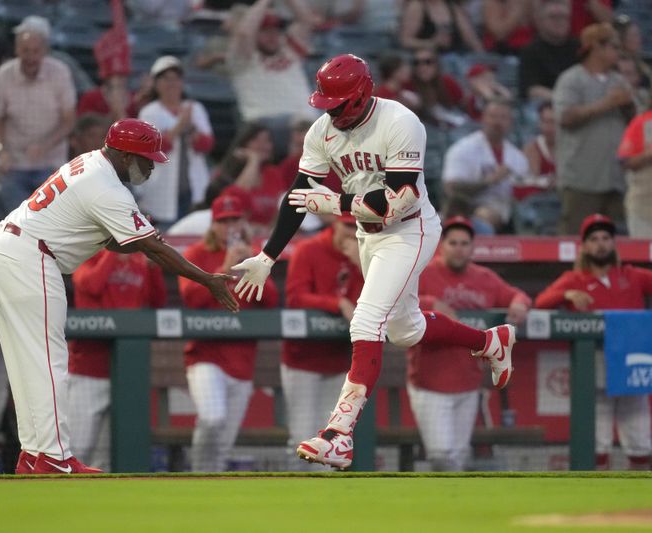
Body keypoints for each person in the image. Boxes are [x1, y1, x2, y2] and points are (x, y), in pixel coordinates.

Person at [231, 54, 518, 469]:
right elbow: (298, 196)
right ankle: (490, 341)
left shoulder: (400, 121)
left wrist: (337, 202)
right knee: (406, 329)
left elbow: (402, 201)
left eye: (337, 103)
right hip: (369, 235)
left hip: (410, 230)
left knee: (366, 322)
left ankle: (338, 435)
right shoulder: (322, 131)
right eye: (324, 103)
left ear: (362, 95)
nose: (329, 111)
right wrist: (268, 255)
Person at [0, 118, 239, 475]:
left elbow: (118, 241)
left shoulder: (92, 165)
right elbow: (153, 249)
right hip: (30, 255)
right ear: (122, 153)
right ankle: (53, 457)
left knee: (28, 361)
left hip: (6, 248)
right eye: (145, 158)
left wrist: (135, 229)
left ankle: (35, 454)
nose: (150, 165)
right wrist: (207, 279)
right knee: (48, 359)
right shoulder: (105, 186)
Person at [408, 216, 530, 471]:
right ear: (442, 245)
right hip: (430, 383)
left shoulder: (484, 277)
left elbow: (516, 294)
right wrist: (430, 303)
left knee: (460, 455)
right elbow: (395, 300)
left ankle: (449, 507)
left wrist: (519, 303)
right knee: (442, 455)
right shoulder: (424, 273)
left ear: (473, 247)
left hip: (468, 381)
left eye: (465, 243)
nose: (459, 248)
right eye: (453, 242)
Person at [535, 214, 652, 470]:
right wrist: (567, 294)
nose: (601, 244)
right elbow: (541, 301)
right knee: (597, 446)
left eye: (606, 238)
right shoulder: (574, 279)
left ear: (614, 243)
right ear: (585, 246)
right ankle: (599, 502)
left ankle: (638, 504)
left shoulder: (631, 274)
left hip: (632, 362)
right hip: (596, 361)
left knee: (641, 444)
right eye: (594, 239)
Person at [180, 195, 279, 471]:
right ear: (213, 225)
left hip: (243, 360)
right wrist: (223, 268)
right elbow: (190, 298)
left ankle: (210, 491)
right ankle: (197, 475)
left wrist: (251, 266)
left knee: (224, 443)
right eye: (223, 221)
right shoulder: (197, 254)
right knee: (212, 417)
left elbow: (270, 300)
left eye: (235, 219)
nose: (230, 226)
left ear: (244, 222)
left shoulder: (257, 256)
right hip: (206, 356)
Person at [67, 249, 167, 470]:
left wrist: (154, 267)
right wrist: (113, 252)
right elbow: (91, 285)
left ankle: (100, 504)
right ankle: (63, 500)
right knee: (79, 449)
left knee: (111, 458)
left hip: (126, 372)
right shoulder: (89, 254)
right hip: (88, 370)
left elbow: (157, 302)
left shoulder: (140, 262)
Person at [281, 213, 364, 470]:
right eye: (347, 225)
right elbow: (296, 298)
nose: (352, 232)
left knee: (333, 442)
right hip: (303, 361)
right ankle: (295, 500)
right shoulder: (309, 249)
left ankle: (326, 504)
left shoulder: (366, 256)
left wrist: (362, 266)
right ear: (335, 224)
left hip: (341, 362)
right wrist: (336, 303)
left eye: (358, 226)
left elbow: (377, 300)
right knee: (302, 438)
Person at [0, 15, 77, 212]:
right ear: (17, 49)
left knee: (53, 217)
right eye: (25, 50)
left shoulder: (60, 73)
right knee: (19, 219)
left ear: (45, 51)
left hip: (51, 161)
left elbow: (69, 121)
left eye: (36, 51)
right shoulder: (3, 75)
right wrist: (1, 151)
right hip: (14, 162)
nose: (30, 57)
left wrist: (45, 145)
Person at [553, 23, 634, 235]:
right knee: (576, 240)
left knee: (618, 243)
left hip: (615, 178)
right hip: (582, 178)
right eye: (614, 47)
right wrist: (607, 103)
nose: (619, 52)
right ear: (597, 47)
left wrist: (627, 105)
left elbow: (636, 124)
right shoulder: (571, 79)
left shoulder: (619, 81)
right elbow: (566, 117)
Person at [136, 56, 215, 225]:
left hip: (191, 185)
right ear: (156, 84)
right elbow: (154, 148)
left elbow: (207, 145)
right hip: (161, 186)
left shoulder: (195, 108)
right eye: (165, 79)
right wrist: (180, 125)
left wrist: (192, 129)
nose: (171, 84)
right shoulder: (149, 112)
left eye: (176, 78)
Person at [442, 99, 529, 234]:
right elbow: (451, 188)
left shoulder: (517, 157)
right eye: (493, 116)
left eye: (503, 117)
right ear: (483, 118)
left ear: (510, 122)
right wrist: (490, 180)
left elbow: (522, 189)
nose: (497, 122)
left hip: (503, 206)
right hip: (464, 204)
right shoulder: (463, 149)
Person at [226, 0, 316, 122]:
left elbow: (306, 21)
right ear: (255, 34)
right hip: (265, 122)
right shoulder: (242, 57)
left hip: (305, 120)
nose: (272, 35)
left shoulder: (289, 49)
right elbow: (244, 33)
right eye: (264, 31)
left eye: (275, 30)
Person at [205, 123, 287, 232]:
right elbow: (238, 195)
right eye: (256, 140)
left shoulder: (273, 173)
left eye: (267, 141)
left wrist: (270, 230)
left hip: (267, 234)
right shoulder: (227, 174)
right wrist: (253, 160)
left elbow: (281, 207)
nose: (262, 145)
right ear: (244, 143)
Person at [519, 0, 579, 102]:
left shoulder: (580, 47)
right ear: (539, 21)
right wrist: (563, 100)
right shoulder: (530, 51)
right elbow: (532, 90)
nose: (560, 21)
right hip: (546, 107)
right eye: (553, 17)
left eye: (564, 17)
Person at [408, 47, 466, 128]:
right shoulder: (408, 85)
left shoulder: (448, 82)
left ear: (437, 64)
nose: (422, 67)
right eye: (417, 63)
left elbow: (464, 107)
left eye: (428, 62)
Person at [399, 0, 483, 54]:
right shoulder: (416, 6)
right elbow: (405, 41)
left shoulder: (453, 7)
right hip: (429, 61)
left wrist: (483, 56)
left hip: (456, 58)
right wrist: (431, 43)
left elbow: (471, 38)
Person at [617, 107, 652, 237]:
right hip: (644, 209)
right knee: (643, 254)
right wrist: (648, 155)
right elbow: (625, 162)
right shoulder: (642, 122)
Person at [518, 101, 557, 200]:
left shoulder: (569, 149)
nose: (548, 128)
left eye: (553, 122)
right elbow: (530, 181)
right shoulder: (532, 148)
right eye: (545, 122)